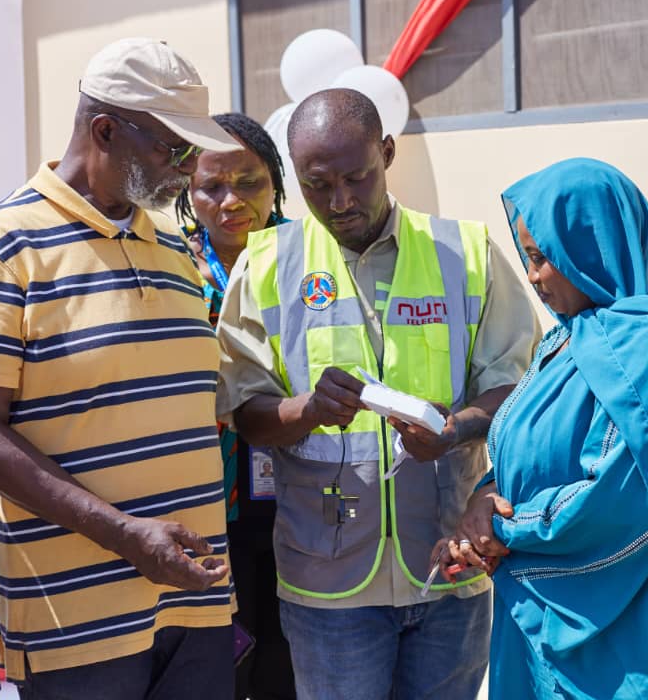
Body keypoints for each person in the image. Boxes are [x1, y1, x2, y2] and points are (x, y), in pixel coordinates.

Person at [0, 38, 241, 699]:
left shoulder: (177, 254)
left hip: (196, 603)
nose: (187, 169)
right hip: (74, 622)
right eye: (171, 147)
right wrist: (124, 535)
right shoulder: (0, 250)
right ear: (104, 130)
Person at [215, 88, 539, 700]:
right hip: (328, 586)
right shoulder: (265, 264)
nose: (339, 202)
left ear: (386, 153)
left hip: (450, 568)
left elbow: (521, 387)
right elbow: (244, 410)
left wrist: (459, 425)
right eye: (317, 185)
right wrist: (305, 410)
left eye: (356, 178)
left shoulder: (465, 252)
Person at [439, 158, 648, 699]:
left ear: (591, 246)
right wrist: (483, 503)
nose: (532, 277)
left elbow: (627, 503)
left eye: (541, 258)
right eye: (527, 257)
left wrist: (503, 532)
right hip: (561, 628)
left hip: (641, 644)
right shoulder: (567, 340)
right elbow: (520, 448)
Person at [175, 112, 297, 700]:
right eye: (211, 186)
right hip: (208, 502)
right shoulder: (168, 267)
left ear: (275, 182)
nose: (231, 201)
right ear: (187, 192)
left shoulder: (313, 261)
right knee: (226, 663)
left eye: (249, 182)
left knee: (291, 662)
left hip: (309, 493)